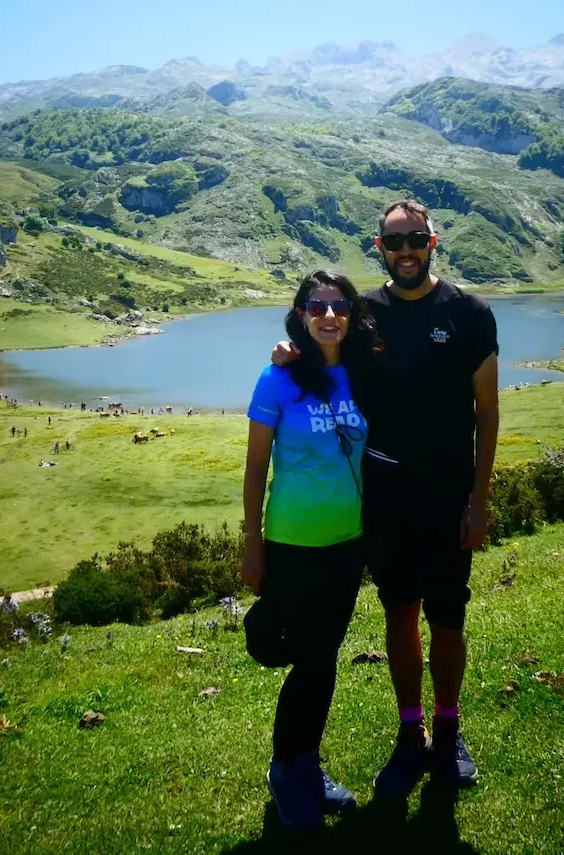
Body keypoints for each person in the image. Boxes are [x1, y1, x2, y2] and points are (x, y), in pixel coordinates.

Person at [273, 198, 499, 795]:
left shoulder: (470, 314)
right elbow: (323, 347)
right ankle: (410, 734)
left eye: (415, 239)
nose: (406, 251)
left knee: (447, 617)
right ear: (379, 248)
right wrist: (287, 356)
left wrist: (478, 500)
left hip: (448, 493)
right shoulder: (365, 313)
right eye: (393, 242)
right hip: (385, 496)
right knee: (399, 613)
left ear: (432, 242)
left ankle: (448, 733)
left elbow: (487, 411)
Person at [242, 270, 375, 830]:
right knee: (310, 658)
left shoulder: (364, 371)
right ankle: (286, 769)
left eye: (339, 305)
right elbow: (255, 468)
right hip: (291, 541)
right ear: (300, 314)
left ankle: (307, 765)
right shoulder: (277, 377)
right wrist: (252, 543)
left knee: (325, 657)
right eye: (316, 306)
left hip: (347, 543)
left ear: (352, 313)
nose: (328, 315)